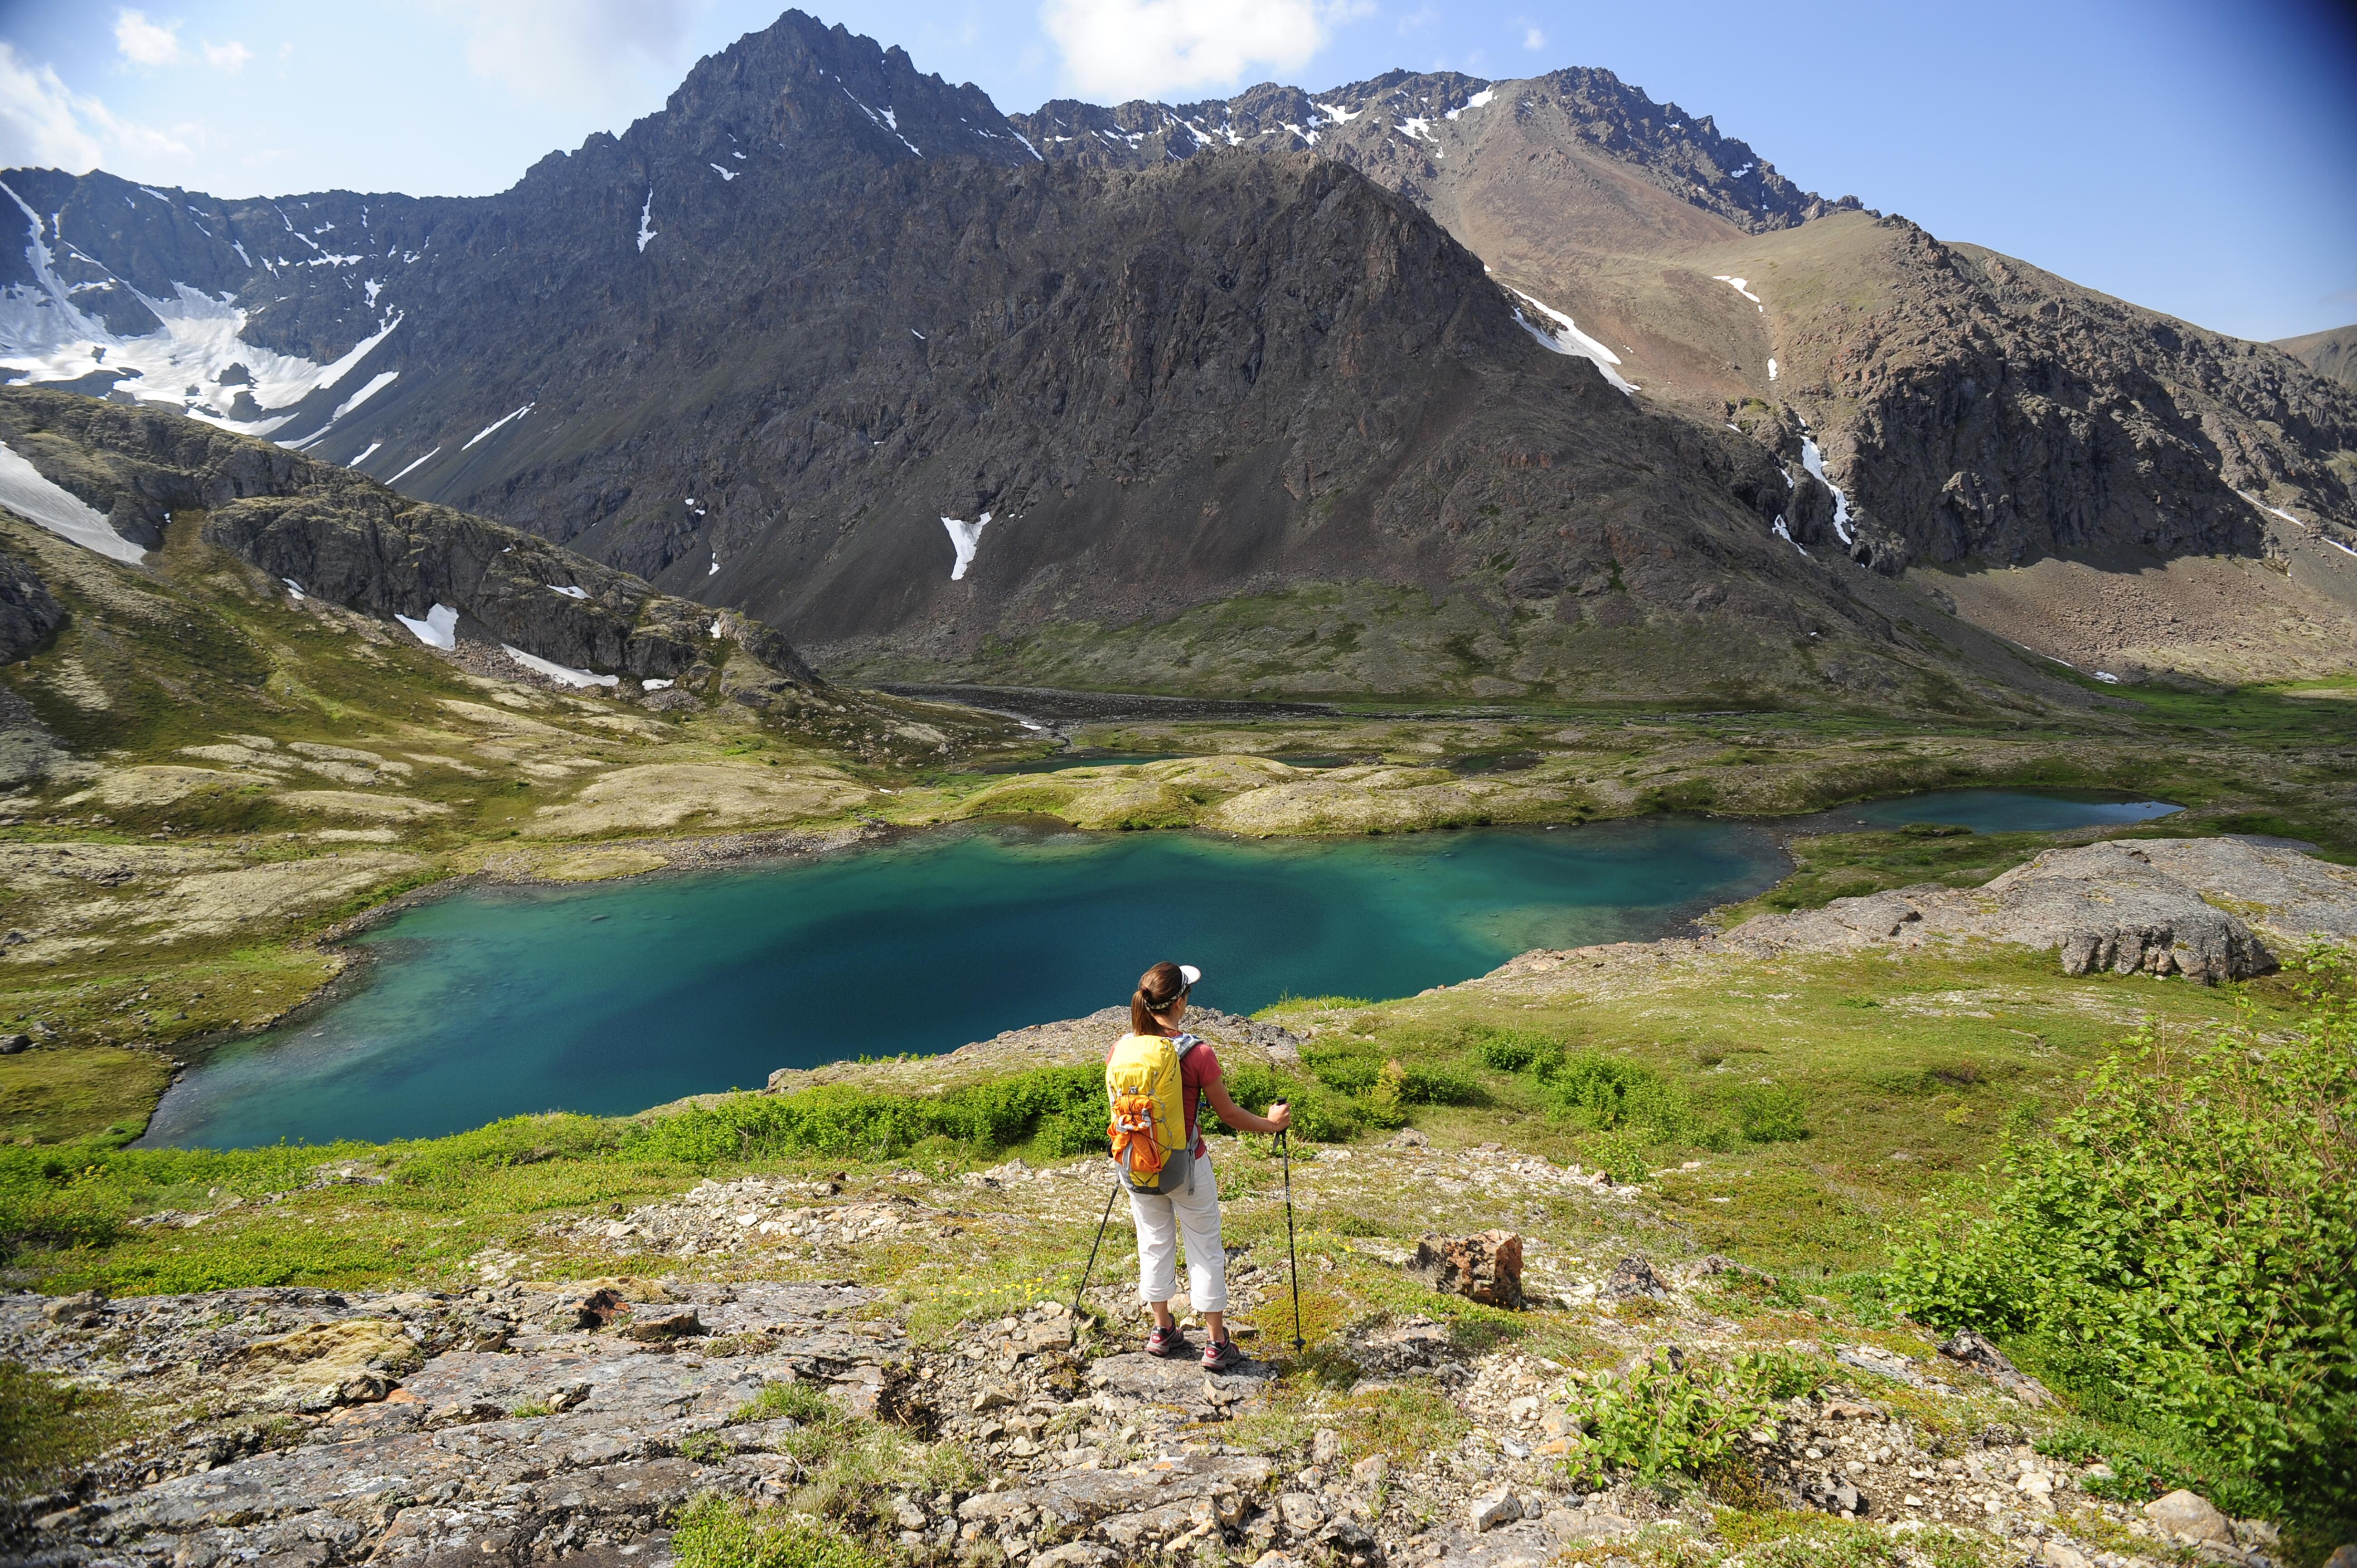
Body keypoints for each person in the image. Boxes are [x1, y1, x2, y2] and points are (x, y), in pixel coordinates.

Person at [1111, 960, 1291, 1372]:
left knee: (1153, 1243)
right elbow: (1229, 1115)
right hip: (1187, 1166)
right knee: (1205, 1247)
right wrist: (1272, 1124)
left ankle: (1162, 1331)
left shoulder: (1121, 1048)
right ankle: (1216, 1343)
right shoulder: (1197, 1052)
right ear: (1182, 1002)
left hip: (1137, 1162)